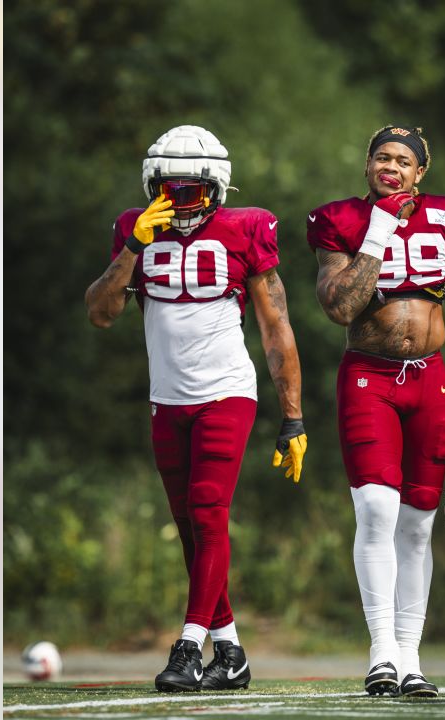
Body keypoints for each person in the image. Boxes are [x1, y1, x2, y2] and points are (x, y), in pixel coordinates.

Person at [85, 125, 307, 692]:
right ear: (151, 185)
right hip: (167, 398)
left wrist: (293, 415)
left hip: (226, 391)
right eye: (169, 189)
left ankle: (187, 647)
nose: (179, 203)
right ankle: (229, 652)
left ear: (217, 188)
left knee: (209, 511)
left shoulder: (245, 228)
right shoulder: (134, 230)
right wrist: (134, 244)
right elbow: (101, 313)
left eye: (192, 191)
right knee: (188, 525)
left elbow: (275, 326)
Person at [307, 125, 445, 698]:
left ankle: (410, 658)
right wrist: (378, 231)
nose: (391, 167)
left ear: (419, 172)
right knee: (376, 510)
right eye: (381, 156)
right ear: (367, 165)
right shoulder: (340, 221)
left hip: (430, 381)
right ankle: (381, 654)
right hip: (368, 378)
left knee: (419, 525)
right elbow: (339, 306)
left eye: (403, 160)